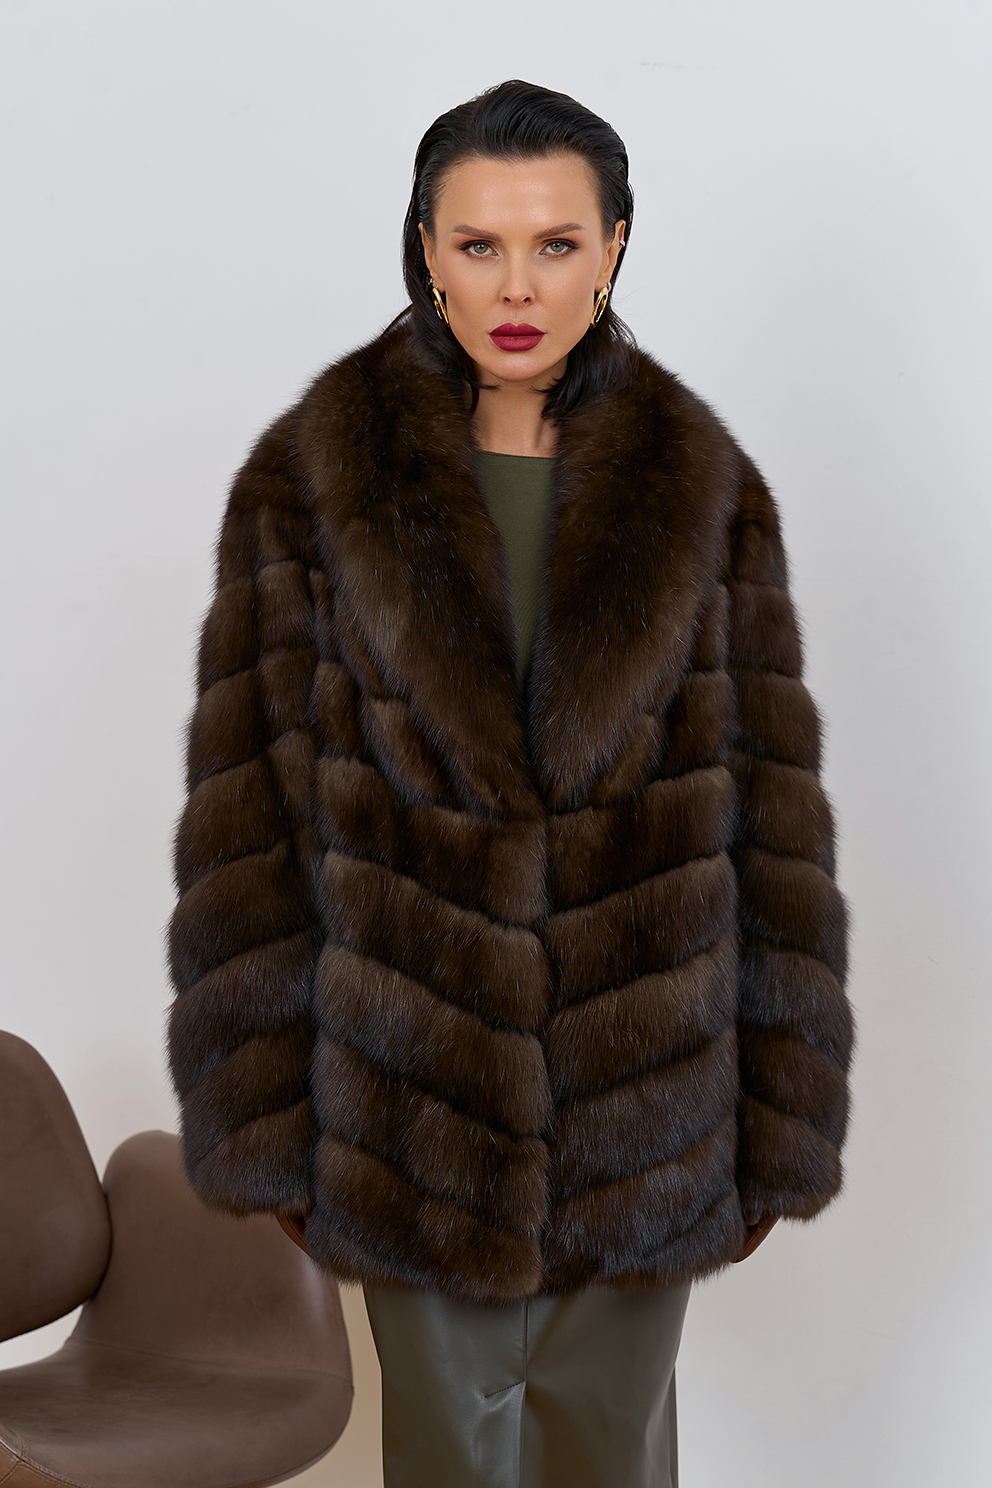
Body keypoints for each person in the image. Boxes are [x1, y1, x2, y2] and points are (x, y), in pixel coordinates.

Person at [165, 79, 854, 1488]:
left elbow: (774, 820)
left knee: (614, 1456)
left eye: (556, 243)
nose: (518, 287)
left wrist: (779, 1124)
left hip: (646, 1107)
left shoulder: (702, 488)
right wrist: (264, 1127)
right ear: (426, 247)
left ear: (615, 247)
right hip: (411, 1108)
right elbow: (248, 828)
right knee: (448, 1462)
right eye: (479, 244)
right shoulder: (313, 484)